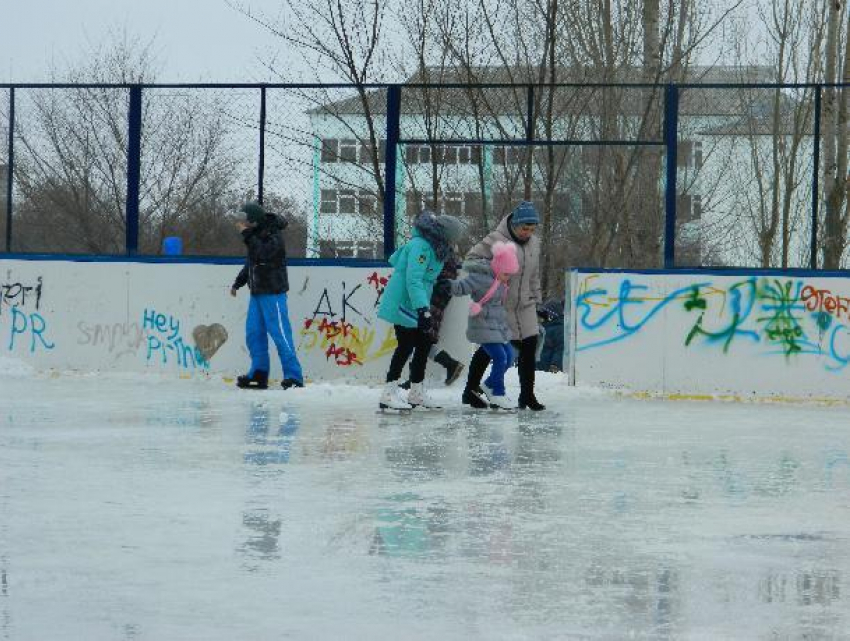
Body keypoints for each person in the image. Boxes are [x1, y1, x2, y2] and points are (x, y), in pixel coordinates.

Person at [461, 201, 546, 411]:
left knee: (528, 347)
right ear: (515, 225)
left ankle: (527, 395)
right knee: (489, 348)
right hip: (500, 304)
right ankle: (470, 391)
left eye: (532, 229)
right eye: (524, 228)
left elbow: (534, 275)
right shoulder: (495, 239)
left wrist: (537, 301)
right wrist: (493, 272)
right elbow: (470, 260)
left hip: (525, 305)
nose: (528, 233)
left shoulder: (534, 243)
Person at [378, 211, 466, 410]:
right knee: (405, 346)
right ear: (445, 235)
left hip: (417, 300)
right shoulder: (421, 247)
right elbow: (413, 279)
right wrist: (423, 309)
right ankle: (388, 392)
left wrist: (423, 307)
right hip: (405, 302)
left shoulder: (434, 247)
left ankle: (416, 392)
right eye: (453, 239)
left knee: (424, 344)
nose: (453, 244)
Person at [230, 201, 304, 390]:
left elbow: (263, 253)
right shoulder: (254, 234)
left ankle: (294, 376)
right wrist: (239, 282)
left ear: (253, 221)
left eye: (244, 221)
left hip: (273, 292)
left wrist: (246, 235)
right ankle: (259, 374)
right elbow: (252, 262)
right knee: (254, 334)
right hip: (257, 293)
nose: (241, 224)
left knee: (280, 334)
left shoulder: (273, 234)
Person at [450, 241, 520, 410]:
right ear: (497, 267)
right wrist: (443, 281)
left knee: (510, 355)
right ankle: (498, 394)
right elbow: (460, 288)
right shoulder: (480, 278)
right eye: (505, 274)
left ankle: (488, 385)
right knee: (499, 357)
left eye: (510, 275)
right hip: (481, 324)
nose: (507, 278)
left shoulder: (501, 281)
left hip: (497, 325)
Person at [399, 252, 465, 389]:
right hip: (432, 300)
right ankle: (449, 364)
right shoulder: (443, 253)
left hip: (431, 301)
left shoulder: (438, 253)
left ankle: (448, 364)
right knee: (421, 339)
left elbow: (437, 279)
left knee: (420, 339)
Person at [536, 298, 565, 373]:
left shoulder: (559, 329)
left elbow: (560, 349)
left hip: (548, 369)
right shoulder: (544, 328)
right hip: (538, 367)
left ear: (551, 315)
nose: (542, 317)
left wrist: (555, 365)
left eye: (545, 314)